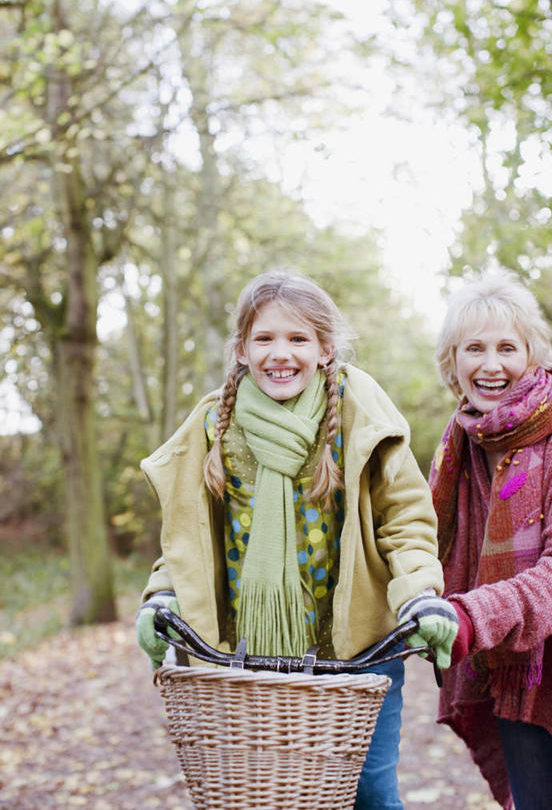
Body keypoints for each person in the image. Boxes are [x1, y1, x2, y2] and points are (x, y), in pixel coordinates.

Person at [136, 269, 458, 810]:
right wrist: (162, 594)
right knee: (260, 796)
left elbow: (404, 518)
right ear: (241, 349)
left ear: (326, 349)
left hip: (356, 656)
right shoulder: (215, 424)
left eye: (297, 338)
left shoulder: (358, 414)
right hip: (245, 658)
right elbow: (188, 536)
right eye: (264, 338)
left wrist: (421, 592)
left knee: (371, 794)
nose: (279, 353)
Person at [430, 269, 552, 810]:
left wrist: (471, 616)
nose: (490, 365)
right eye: (474, 348)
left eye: (506, 348)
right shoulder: (459, 445)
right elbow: (427, 549)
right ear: (453, 361)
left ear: (533, 354)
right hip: (514, 671)